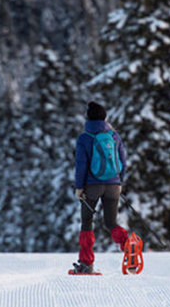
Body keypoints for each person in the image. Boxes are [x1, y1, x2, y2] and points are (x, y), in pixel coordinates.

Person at [71, 102, 129, 274]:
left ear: (88, 118)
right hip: (113, 186)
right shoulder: (114, 136)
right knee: (111, 222)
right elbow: (123, 161)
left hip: (92, 186)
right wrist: (119, 181)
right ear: (105, 118)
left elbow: (81, 165)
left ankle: (86, 263)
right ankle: (127, 244)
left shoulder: (84, 138)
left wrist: (79, 187)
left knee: (87, 222)